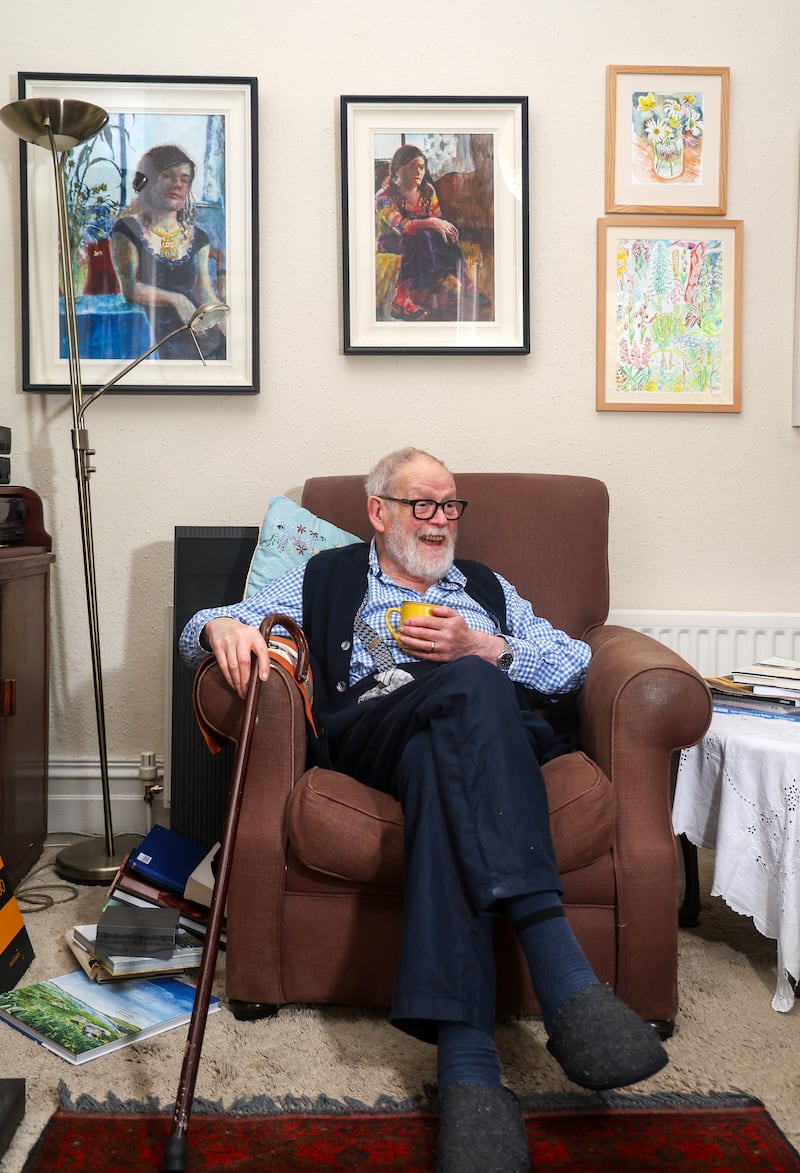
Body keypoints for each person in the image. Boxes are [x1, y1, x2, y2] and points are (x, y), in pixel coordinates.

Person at [179, 448, 668, 1173]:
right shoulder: (327, 574)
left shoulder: (488, 591)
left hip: (474, 742)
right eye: (422, 504)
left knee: (461, 717)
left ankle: (469, 1075)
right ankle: (563, 970)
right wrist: (217, 631)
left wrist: (487, 646)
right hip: (375, 728)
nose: (440, 521)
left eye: (450, 506)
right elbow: (212, 622)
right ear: (379, 513)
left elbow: (574, 662)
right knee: (465, 691)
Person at [110, 144, 226, 360]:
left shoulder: (199, 237)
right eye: (167, 176)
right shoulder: (127, 229)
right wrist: (177, 300)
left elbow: (204, 291)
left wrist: (223, 322)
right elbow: (131, 290)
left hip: (197, 330)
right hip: (153, 334)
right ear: (148, 181)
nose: (177, 185)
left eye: (185, 179)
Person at [376, 145, 487, 322]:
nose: (418, 171)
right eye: (412, 166)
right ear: (398, 168)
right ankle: (401, 299)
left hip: (423, 236)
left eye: (421, 167)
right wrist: (432, 223)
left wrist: (441, 226)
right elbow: (402, 226)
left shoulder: (428, 190)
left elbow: (437, 218)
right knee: (420, 236)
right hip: (393, 239)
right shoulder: (384, 196)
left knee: (443, 235)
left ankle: (467, 283)